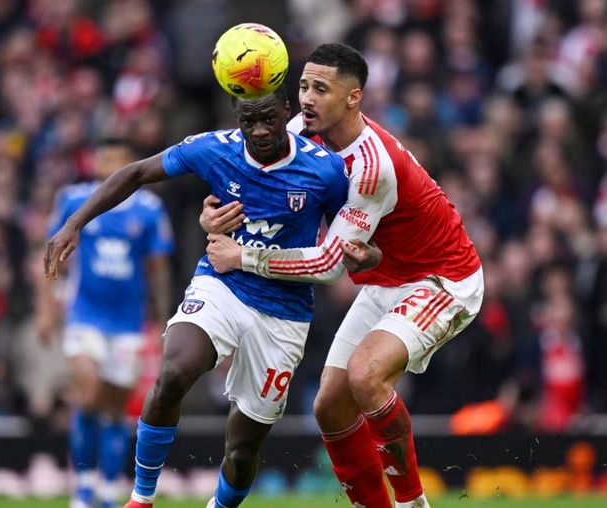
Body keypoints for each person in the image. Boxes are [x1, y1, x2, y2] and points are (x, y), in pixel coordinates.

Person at [203, 43, 484, 508]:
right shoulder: (298, 133)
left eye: (321, 89)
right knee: (330, 407)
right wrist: (212, 216)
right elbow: (253, 190)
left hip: (442, 278)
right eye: (303, 86)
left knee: (366, 375)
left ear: (354, 98)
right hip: (385, 279)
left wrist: (243, 257)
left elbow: (330, 265)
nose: (307, 99)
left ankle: (413, 504)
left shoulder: (371, 166)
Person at [43, 85, 349, 508]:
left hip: (284, 312)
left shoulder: (326, 171)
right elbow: (136, 173)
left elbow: (337, 255)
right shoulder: (214, 149)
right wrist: (75, 223)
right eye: (248, 121)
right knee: (173, 372)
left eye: (268, 119)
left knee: (242, 450)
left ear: (286, 110)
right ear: (236, 118)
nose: (259, 131)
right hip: (221, 284)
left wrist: (366, 257)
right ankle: (140, 498)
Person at [38, 138, 174, 508]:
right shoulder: (73, 200)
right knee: (87, 392)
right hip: (85, 314)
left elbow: (157, 268)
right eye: (104, 158)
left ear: (132, 165)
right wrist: (46, 310)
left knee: (116, 406)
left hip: (128, 322)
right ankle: (83, 488)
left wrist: (163, 319)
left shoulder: (149, 209)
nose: (109, 165)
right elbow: (49, 253)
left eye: (118, 159)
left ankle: (109, 489)